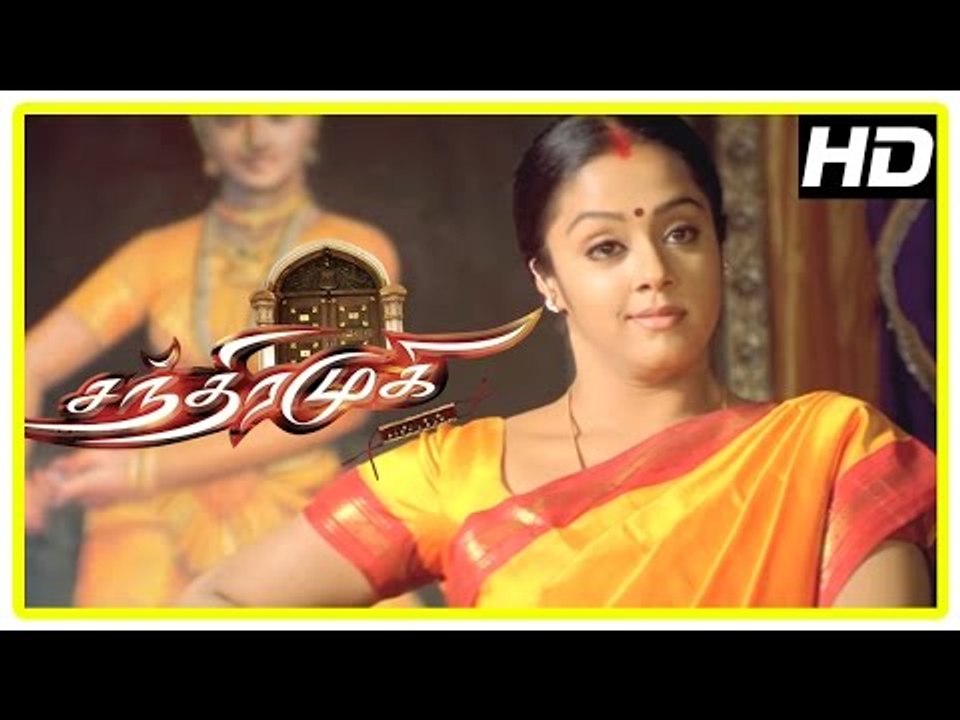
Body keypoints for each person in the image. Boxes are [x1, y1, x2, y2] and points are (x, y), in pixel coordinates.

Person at [178, 116, 936, 608]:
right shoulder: (450, 473)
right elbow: (217, 604)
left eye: (681, 233)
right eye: (605, 247)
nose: (654, 271)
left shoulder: (828, 450)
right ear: (547, 279)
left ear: (720, 249)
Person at [26, 115, 403, 606]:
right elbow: (27, 364)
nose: (255, 139)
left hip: (295, 505)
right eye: (228, 121)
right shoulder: (155, 254)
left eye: (278, 118)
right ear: (204, 136)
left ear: (311, 127)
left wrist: (148, 470)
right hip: (152, 518)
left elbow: (340, 404)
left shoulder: (353, 249)